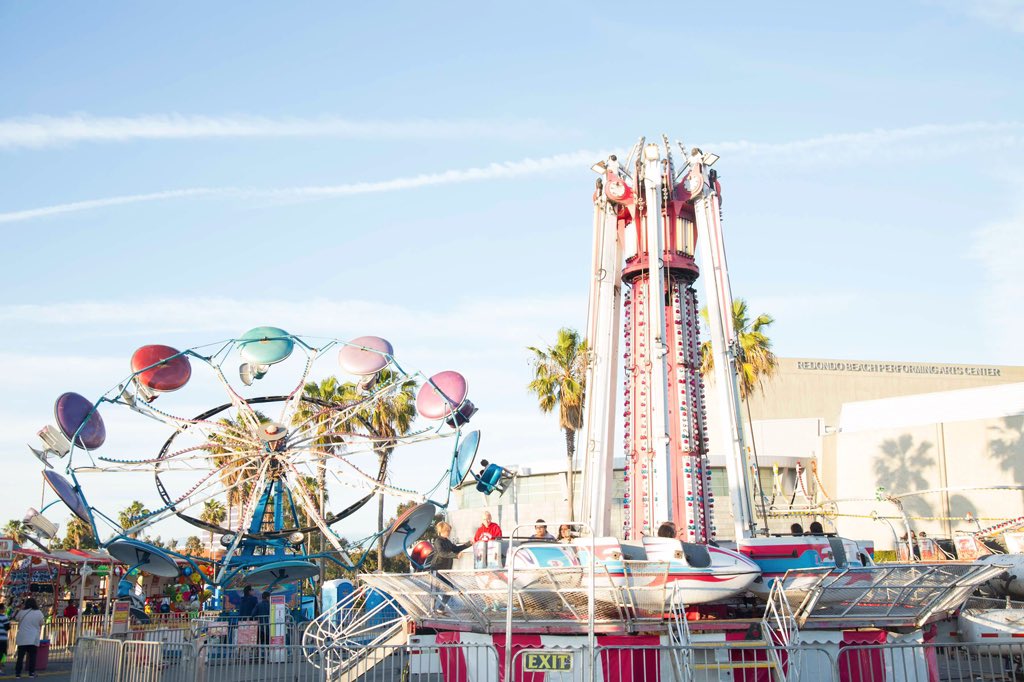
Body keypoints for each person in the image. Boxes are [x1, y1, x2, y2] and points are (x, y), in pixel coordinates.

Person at [15, 597, 44, 678]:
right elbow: (42, 623)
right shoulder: (39, 613)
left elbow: (16, 618)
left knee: (20, 657)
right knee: (32, 656)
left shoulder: (22, 612)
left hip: (22, 637)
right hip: (33, 638)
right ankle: (31, 673)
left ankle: (18, 673)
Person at [0, 602, 10, 674]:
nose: (4, 609)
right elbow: (7, 627)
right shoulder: (4, 617)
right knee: (2, 654)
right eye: (4, 608)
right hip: (2, 639)